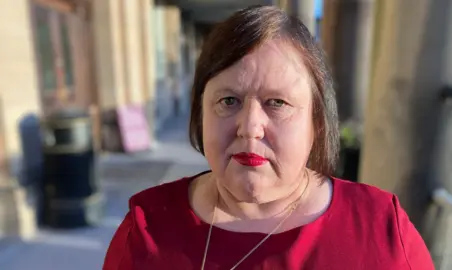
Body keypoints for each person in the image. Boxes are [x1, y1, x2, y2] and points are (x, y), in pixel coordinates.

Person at [103, 5, 434, 270]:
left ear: (316, 122)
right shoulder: (146, 231)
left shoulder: (381, 232)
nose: (249, 126)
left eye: (277, 103)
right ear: (200, 113)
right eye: (227, 101)